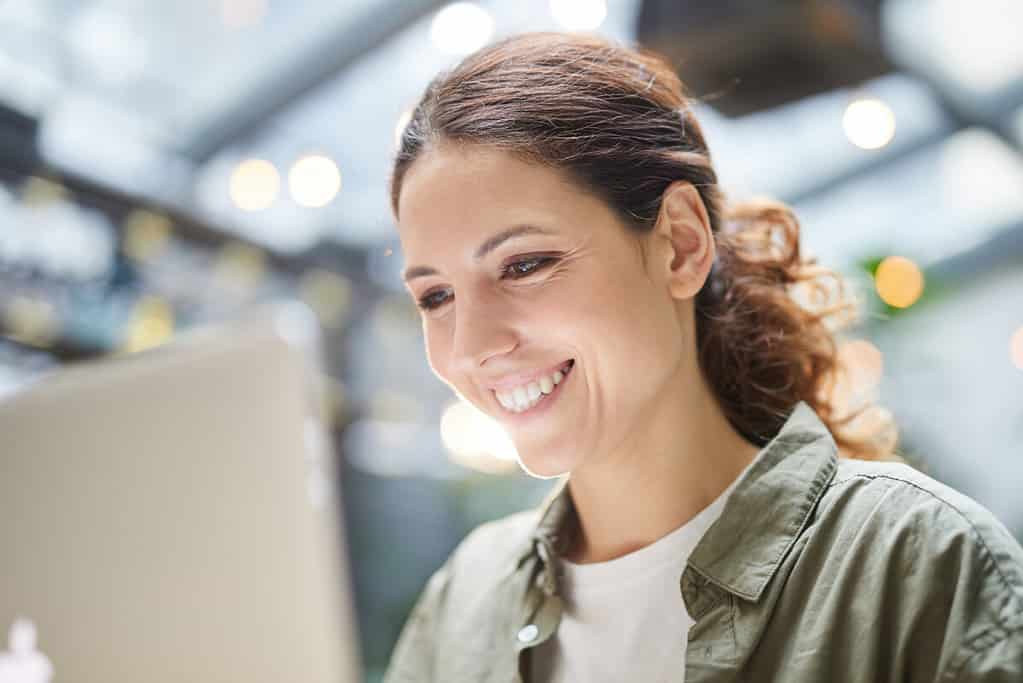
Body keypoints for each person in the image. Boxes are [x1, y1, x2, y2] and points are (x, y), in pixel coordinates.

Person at [383, 32, 1023, 682]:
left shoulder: (912, 564)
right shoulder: (463, 604)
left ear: (681, 244)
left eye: (523, 264)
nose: (472, 345)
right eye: (435, 296)